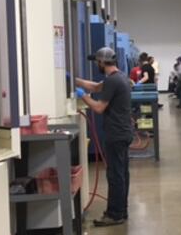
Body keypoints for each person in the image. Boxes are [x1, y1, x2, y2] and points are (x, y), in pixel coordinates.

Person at [73, 47, 133, 227]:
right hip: (123, 132)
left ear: (101, 62)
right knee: (121, 173)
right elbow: (95, 87)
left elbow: (99, 108)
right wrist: (73, 80)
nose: (96, 65)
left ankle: (115, 215)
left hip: (116, 134)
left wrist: (83, 97)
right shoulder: (118, 77)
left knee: (115, 175)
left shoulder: (113, 81)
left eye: (96, 62)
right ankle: (121, 210)